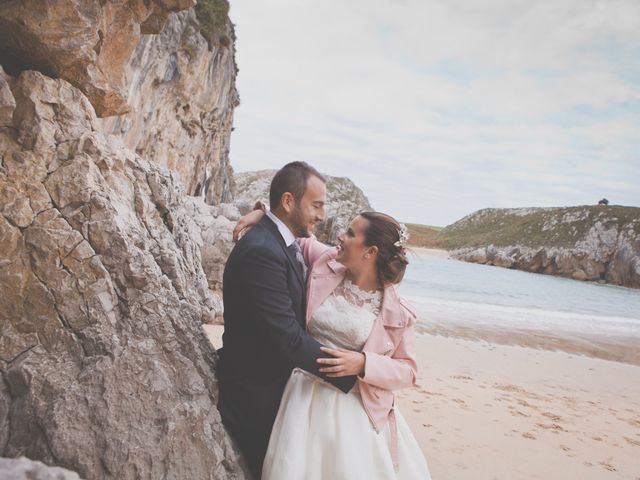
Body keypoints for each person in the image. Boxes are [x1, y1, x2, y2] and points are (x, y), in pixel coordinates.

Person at [234, 207, 431, 479]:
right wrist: (263, 215)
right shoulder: (326, 262)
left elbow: (408, 372)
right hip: (300, 393)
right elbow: (294, 235)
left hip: (355, 405)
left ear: (370, 252)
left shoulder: (396, 312)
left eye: (350, 233)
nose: (340, 236)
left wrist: (363, 363)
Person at [216, 162, 357, 479]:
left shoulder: (283, 241)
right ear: (289, 201)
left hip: (279, 388)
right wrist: (351, 377)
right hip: (255, 400)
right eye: (316, 205)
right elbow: (289, 339)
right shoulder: (263, 251)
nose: (322, 215)